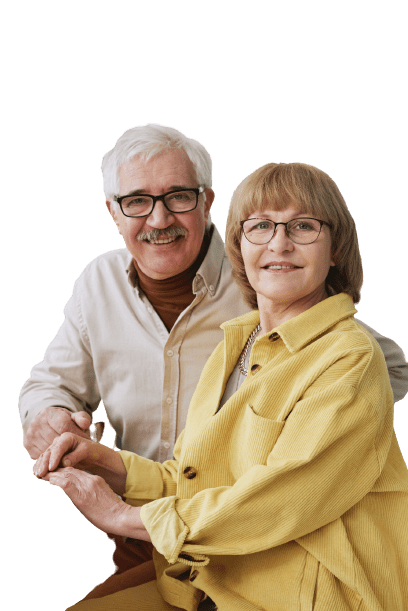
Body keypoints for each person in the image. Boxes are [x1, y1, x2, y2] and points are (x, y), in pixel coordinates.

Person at [33, 162, 408, 610]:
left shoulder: (351, 354)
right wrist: (113, 467)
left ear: (335, 251)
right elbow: (197, 474)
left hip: (304, 594)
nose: (279, 243)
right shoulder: (234, 343)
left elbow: (281, 498)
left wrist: (123, 515)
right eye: (261, 227)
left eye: (303, 226)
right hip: (213, 579)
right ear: (239, 249)